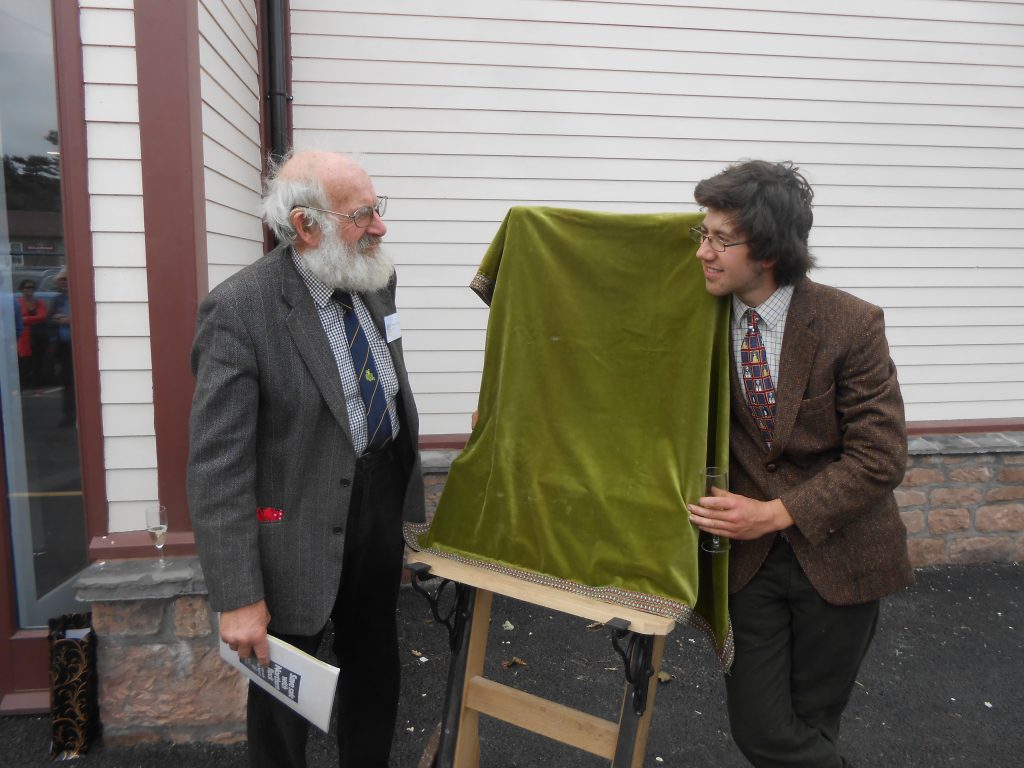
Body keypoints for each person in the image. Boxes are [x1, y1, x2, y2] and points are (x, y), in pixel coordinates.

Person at [187, 150, 425, 768]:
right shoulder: (241, 310)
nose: (379, 227)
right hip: (291, 527)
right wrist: (237, 596)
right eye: (363, 214)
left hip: (376, 507)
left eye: (379, 208)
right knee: (283, 698)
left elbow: (390, 384)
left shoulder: (374, 276)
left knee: (375, 663)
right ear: (305, 225)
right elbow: (218, 466)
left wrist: (409, 503)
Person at [687, 160, 913, 767]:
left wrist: (775, 512)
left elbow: (880, 455)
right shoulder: (694, 318)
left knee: (814, 722)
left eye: (719, 239)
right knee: (763, 730)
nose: (703, 252)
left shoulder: (851, 323)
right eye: (701, 234)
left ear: (766, 251)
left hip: (844, 555)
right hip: (747, 567)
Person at [50, 270, 75, 426]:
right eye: (61, 280)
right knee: (66, 383)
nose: (64, 283)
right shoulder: (58, 299)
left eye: (66, 280)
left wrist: (69, 320)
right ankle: (68, 414)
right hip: (63, 346)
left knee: (78, 382)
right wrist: (55, 318)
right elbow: (50, 317)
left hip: (77, 347)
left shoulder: (79, 296)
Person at [16, 278, 48, 389]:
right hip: (24, 338)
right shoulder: (18, 302)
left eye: (31, 287)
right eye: (27, 287)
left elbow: (43, 316)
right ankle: (23, 385)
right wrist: (32, 319)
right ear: (21, 289)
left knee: (37, 361)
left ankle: (37, 385)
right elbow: (18, 318)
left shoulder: (39, 302)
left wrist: (25, 319)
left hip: (38, 337)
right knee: (24, 362)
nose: (29, 289)